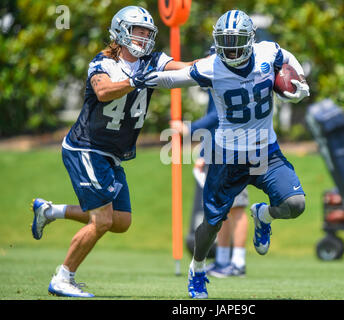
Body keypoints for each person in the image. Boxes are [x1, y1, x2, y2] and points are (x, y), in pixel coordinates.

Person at [30, 6, 195, 298]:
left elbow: (187, 68)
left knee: (120, 221)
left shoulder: (153, 60)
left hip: (112, 153)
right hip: (86, 148)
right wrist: (134, 81)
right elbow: (103, 91)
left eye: (147, 32)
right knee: (102, 220)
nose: (143, 38)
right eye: (138, 31)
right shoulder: (102, 62)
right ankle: (62, 277)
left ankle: (50, 210)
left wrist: (222, 65)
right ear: (120, 31)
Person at [144, 9, 310, 299]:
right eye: (226, 42)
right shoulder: (211, 67)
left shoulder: (267, 52)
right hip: (227, 156)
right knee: (212, 223)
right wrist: (138, 81)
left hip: (265, 152)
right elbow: (174, 80)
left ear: (250, 40)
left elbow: (287, 57)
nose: (231, 49)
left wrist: (302, 83)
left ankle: (264, 216)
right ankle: (197, 271)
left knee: (295, 204)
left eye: (237, 41)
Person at [171, 91, 249, 278]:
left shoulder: (227, 80)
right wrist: (204, 154)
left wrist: (189, 128)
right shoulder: (215, 84)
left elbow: (218, 117)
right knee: (222, 209)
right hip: (218, 152)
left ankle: (238, 262)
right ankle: (222, 260)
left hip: (235, 150)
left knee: (237, 207)